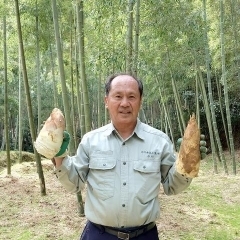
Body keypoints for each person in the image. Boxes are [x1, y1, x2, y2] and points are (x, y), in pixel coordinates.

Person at [49, 73, 205, 240]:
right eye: (118, 96)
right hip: (99, 235)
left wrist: (187, 163)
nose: (125, 103)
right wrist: (59, 154)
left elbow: (172, 186)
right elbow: (74, 184)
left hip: (144, 235)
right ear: (106, 101)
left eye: (132, 96)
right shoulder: (91, 141)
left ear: (140, 101)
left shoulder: (159, 141)